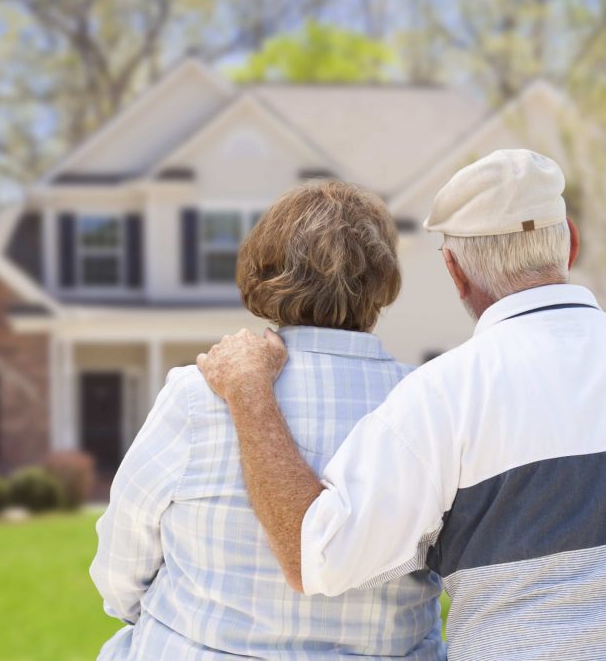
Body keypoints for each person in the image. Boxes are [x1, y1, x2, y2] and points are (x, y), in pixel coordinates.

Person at [197, 149, 606, 660]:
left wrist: (250, 394)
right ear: (569, 242)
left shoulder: (443, 394)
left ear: (454, 271)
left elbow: (315, 557)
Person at [90, 180, 446, 660]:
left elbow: (122, 560)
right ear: (383, 282)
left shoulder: (198, 395)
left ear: (264, 271)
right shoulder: (429, 404)